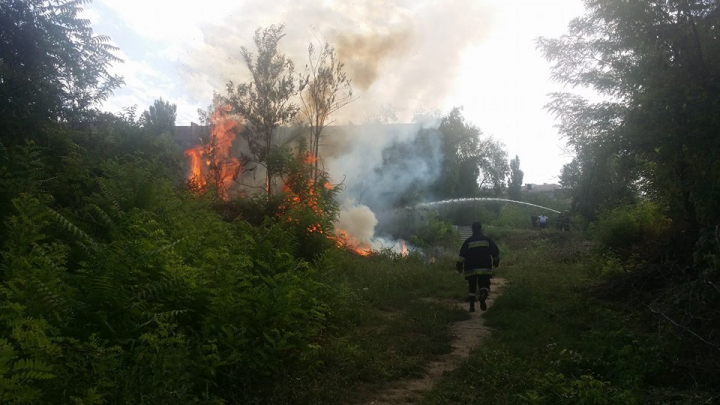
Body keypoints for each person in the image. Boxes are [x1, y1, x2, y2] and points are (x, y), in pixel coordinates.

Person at [456, 221, 500, 312]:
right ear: (481, 229)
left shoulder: (468, 241)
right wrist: (496, 262)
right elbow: (495, 252)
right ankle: (483, 295)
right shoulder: (487, 240)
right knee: (484, 284)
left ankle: (471, 306)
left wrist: (459, 266)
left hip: (471, 267)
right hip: (485, 267)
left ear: (472, 229)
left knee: (472, 286)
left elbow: (462, 255)